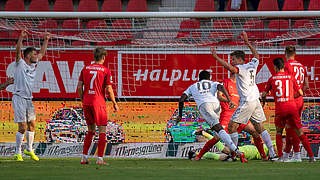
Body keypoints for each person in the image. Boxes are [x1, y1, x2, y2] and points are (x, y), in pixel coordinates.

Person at [211, 31, 276, 160]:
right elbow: (256, 54)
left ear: (240, 60)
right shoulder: (252, 65)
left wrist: (216, 57)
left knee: (231, 127)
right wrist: (247, 43)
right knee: (259, 128)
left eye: (233, 59)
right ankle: (272, 153)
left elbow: (231, 69)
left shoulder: (242, 68)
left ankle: (234, 154)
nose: (232, 62)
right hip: (255, 100)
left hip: (247, 101)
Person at [177, 70, 247, 163]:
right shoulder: (213, 83)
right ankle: (202, 155)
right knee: (218, 132)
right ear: (209, 78)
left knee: (219, 130)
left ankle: (237, 151)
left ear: (199, 78)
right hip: (216, 105)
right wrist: (229, 99)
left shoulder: (193, 86)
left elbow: (181, 99)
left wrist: (180, 115)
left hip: (205, 106)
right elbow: (220, 86)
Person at [194, 73, 267, 161]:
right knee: (217, 137)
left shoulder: (241, 85)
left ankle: (263, 156)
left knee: (254, 132)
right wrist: (229, 101)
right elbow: (219, 96)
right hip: (227, 115)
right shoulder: (226, 82)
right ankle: (199, 155)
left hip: (239, 114)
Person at [261, 57, 315, 162]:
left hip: (280, 109)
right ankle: (311, 157)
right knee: (300, 132)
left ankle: (281, 157)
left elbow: (264, 94)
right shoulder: (291, 77)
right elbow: (301, 93)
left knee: (278, 132)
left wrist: (264, 98)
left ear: (275, 67)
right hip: (292, 107)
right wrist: (290, 97)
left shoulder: (272, 78)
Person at [13, 30, 50, 162]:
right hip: (18, 98)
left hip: (29, 99)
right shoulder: (20, 63)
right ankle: (17, 152)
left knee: (32, 125)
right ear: (28, 55)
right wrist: (20, 38)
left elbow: (42, 53)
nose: (37, 55)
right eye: (34, 54)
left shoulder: (34, 64)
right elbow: (18, 52)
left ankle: (29, 149)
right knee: (22, 127)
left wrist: (46, 40)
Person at [78, 47, 119, 165]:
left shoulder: (85, 69)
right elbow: (109, 89)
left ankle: (84, 157)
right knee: (102, 131)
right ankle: (100, 159)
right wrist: (114, 103)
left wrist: (83, 99)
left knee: (90, 130)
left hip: (87, 102)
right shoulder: (105, 70)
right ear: (104, 57)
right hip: (98, 103)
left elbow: (80, 86)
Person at [283, 46, 314, 162]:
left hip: (290, 100)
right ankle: (287, 154)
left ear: (285, 53)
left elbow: (285, 82)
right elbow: (306, 86)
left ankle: (296, 155)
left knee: (292, 128)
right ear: (295, 53)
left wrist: (290, 97)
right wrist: (298, 95)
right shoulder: (301, 66)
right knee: (291, 127)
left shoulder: (286, 66)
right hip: (300, 100)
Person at [189, 129, 273, 161]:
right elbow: (274, 150)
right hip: (250, 151)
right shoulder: (273, 145)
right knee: (227, 150)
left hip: (251, 155)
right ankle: (205, 133)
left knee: (223, 157)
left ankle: (195, 154)